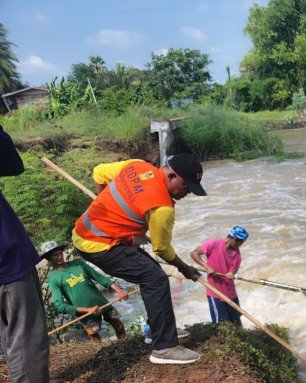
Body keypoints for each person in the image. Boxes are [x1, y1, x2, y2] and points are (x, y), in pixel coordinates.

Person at [72, 154, 205, 364]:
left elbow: (98, 172)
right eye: (186, 185)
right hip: (99, 244)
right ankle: (164, 348)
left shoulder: (136, 166)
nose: (188, 192)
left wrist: (107, 206)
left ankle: (156, 331)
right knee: (155, 279)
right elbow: (162, 249)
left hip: (82, 233)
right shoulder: (162, 207)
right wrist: (184, 268)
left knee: (151, 271)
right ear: (171, 176)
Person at [0, 125, 78, 383]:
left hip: (11, 254)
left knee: (16, 334)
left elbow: (11, 166)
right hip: (6, 260)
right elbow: (13, 164)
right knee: (25, 334)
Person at [41, 240, 128, 342]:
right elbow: (59, 304)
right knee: (94, 339)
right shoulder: (54, 278)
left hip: (102, 303)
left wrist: (119, 291)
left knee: (119, 326)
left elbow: (99, 277)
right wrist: (87, 310)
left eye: (60, 253)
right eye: (55, 255)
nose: (59, 256)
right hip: (86, 314)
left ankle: (126, 345)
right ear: (49, 258)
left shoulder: (79, 264)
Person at [190, 226, 248, 326]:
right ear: (234, 239)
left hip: (231, 294)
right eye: (241, 242)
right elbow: (194, 253)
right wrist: (206, 266)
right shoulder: (214, 244)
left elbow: (235, 267)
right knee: (220, 326)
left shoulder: (236, 251)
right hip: (215, 293)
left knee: (237, 321)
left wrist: (232, 273)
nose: (241, 245)